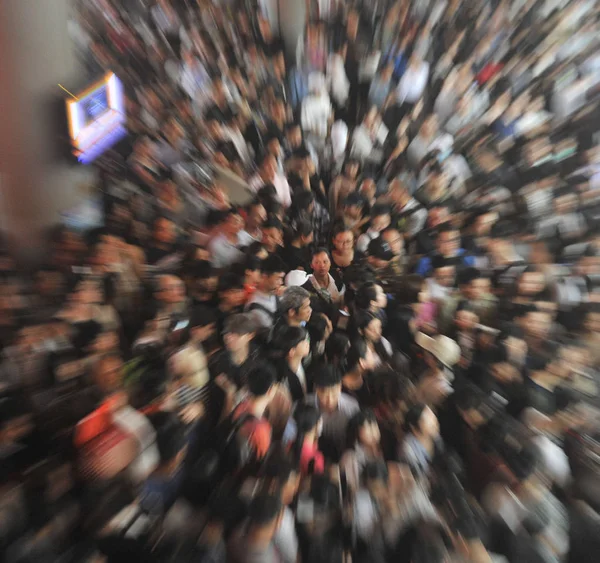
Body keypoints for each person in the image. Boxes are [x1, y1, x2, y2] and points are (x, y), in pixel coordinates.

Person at [304, 365, 360, 462]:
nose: (329, 400)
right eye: (324, 394)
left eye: (334, 394)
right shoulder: (306, 405)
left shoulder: (352, 408)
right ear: (316, 389)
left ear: (340, 387)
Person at [246, 255, 286, 331]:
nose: (281, 282)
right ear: (264, 276)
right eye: (278, 278)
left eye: (282, 278)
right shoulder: (255, 309)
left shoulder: (277, 294)